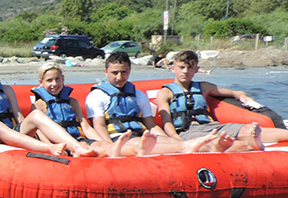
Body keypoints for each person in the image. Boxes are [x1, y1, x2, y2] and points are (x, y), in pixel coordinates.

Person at [24, 62, 225, 157]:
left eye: (57, 79)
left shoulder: (72, 101)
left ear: (63, 79)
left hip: (80, 140)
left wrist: (103, 141)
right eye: (49, 81)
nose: (54, 84)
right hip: (62, 144)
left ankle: (203, 147)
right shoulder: (39, 104)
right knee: (95, 149)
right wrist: (52, 150)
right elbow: (41, 131)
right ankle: (175, 148)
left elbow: (85, 127)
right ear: (41, 82)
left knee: (102, 147)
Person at [85, 51, 232, 154]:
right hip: (118, 138)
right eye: (114, 72)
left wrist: (169, 139)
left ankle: (207, 147)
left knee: (172, 143)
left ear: (129, 70)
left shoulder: (138, 95)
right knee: (140, 144)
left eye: (124, 72)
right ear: (106, 72)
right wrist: (111, 146)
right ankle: (198, 148)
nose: (119, 77)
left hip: (140, 134)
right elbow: (99, 126)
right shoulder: (97, 96)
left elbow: (152, 125)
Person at [155, 50, 288, 151]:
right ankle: (247, 144)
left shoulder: (204, 87)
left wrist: (244, 97)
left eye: (190, 68)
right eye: (181, 67)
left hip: (211, 126)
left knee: (249, 129)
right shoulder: (165, 93)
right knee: (215, 142)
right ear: (173, 68)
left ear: (196, 70)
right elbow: (167, 122)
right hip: (187, 131)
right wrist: (175, 138)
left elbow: (236, 92)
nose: (185, 71)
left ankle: (257, 140)